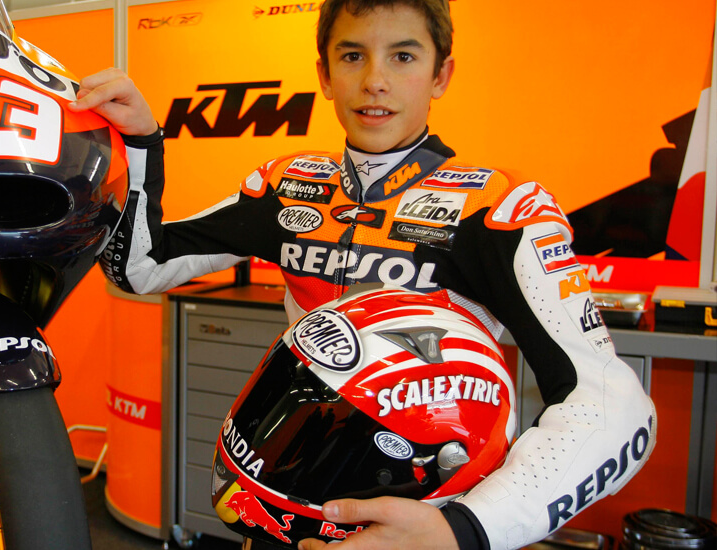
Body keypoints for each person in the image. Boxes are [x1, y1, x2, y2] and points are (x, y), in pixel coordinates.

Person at [68, 1, 657, 548]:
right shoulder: (289, 185)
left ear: (441, 75)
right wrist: (140, 143)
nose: (375, 80)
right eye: (353, 55)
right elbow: (139, 268)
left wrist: (465, 531)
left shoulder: (498, 210)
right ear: (324, 75)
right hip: (287, 500)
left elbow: (614, 407)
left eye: (403, 56)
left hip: (422, 520)